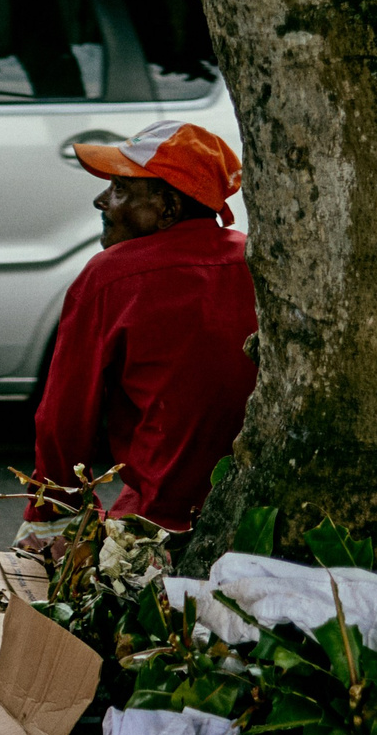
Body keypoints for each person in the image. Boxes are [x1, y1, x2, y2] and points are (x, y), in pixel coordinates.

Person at [24, 120, 257, 537]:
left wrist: (54, 514)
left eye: (119, 189)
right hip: (260, 509)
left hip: (160, 516)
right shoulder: (253, 260)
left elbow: (65, 417)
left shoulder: (111, 276)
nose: (101, 201)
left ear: (167, 208)